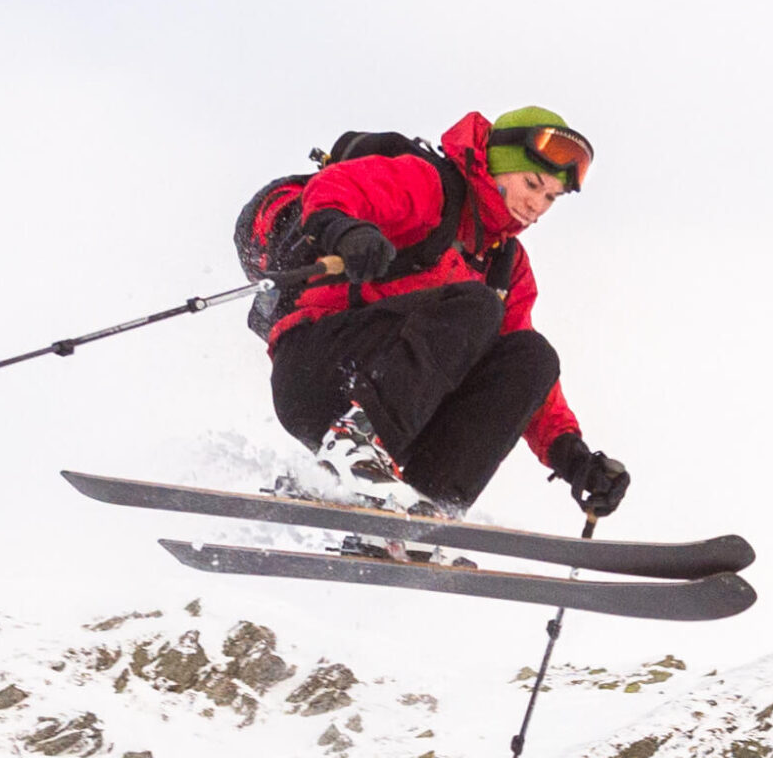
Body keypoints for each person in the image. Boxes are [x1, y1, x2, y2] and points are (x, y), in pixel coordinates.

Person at [266, 107, 631, 519]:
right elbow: (336, 187)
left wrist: (574, 458)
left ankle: (421, 519)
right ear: (497, 166)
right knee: (479, 306)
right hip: (321, 370)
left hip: (406, 419)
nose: (538, 205)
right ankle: (352, 448)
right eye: (532, 183)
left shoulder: (506, 265)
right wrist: (347, 231)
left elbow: (524, 379)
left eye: (551, 196)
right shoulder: (431, 186)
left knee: (533, 356)